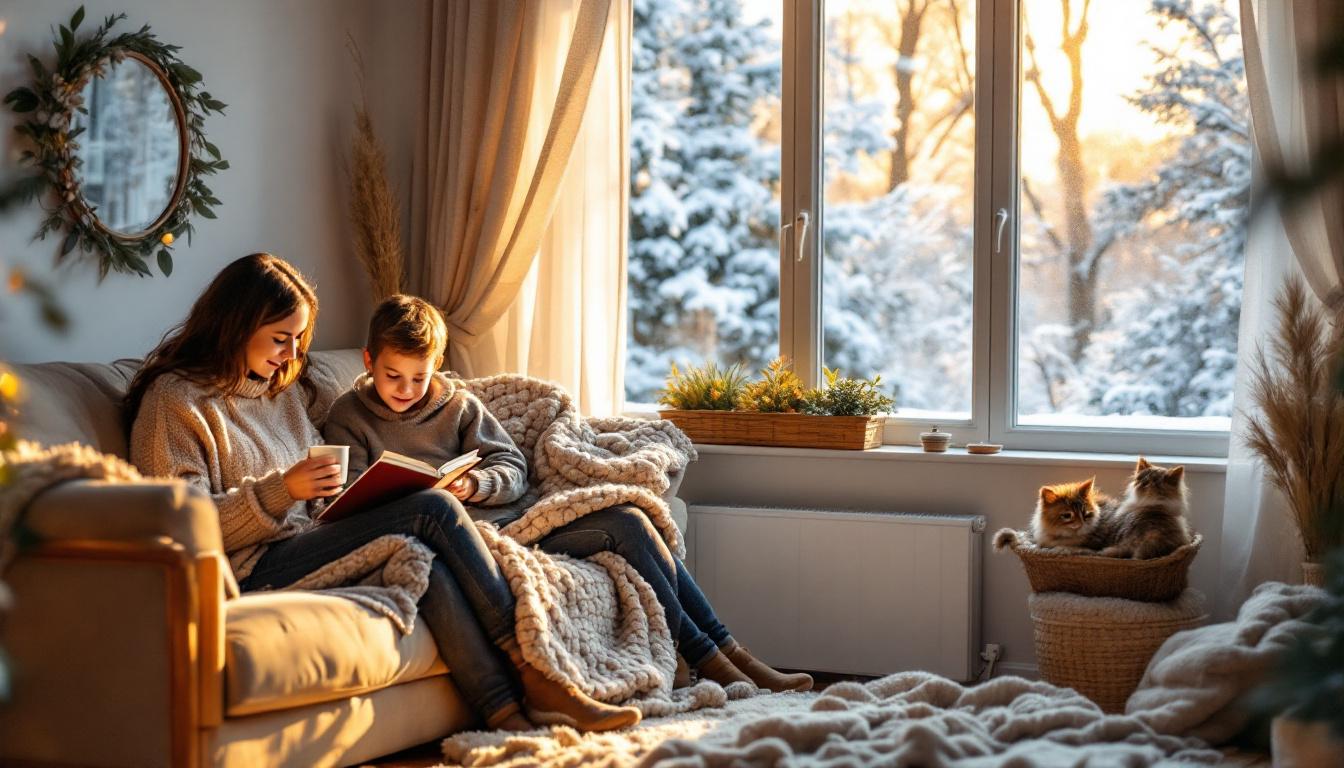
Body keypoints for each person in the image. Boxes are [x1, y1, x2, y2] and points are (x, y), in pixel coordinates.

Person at [126, 253, 639, 732]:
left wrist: (342, 498)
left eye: (299, 341)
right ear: (236, 325)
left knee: (423, 556)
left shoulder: (281, 392)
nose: (290, 357)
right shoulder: (175, 402)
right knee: (433, 509)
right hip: (250, 564)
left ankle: (505, 711)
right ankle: (536, 670)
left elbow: (330, 482)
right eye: (281, 339)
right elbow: (180, 526)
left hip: (311, 537)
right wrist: (281, 492)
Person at [323, 294, 813, 693]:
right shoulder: (349, 416)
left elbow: (511, 464)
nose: (406, 389)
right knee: (626, 526)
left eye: (419, 377)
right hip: (464, 543)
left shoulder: (458, 405)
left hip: (511, 520)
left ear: (437, 366)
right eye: (392, 376)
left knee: (631, 521)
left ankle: (729, 652)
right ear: (369, 362)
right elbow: (357, 498)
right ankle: (715, 660)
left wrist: (477, 483)